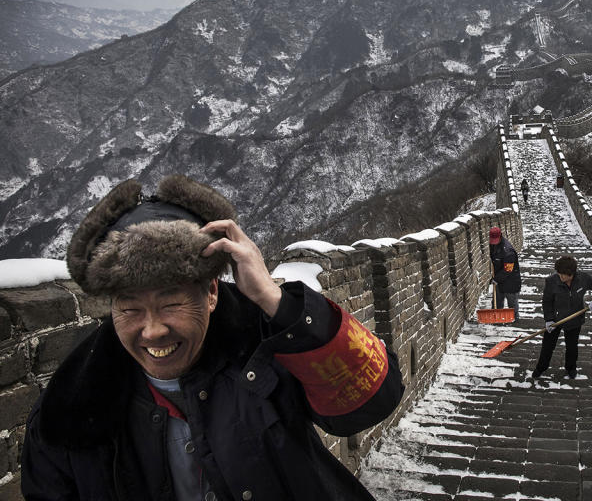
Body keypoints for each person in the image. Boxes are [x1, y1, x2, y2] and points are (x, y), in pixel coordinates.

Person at [21, 174, 404, 501]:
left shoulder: (259, 345)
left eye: (171, 303)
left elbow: (373, 401)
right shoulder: (73, 403)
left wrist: (275, 301)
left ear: (211, 294)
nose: (152, 330)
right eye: (130, 308)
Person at [531, 255, 592, 381]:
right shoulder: (552, 281)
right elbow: (547, 302)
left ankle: (571, 368)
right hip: (555, 319)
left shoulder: (583, 279)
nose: (561, 277)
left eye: (563, 275)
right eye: (559, 274)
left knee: (572, 346)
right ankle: (541, 368)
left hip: (574, 319)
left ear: (571, 274)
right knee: (548, 346)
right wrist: (548, 319)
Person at [489, 226, 521, 320]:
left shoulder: (508, 251)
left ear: (500, 236)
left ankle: (514, 320)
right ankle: (496, 318)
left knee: (512, 303)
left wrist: (496, 279)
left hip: (511, 280)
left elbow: (508, 269)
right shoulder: (493, 245)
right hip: (499, 278)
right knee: (497, 301)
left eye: (495, 239)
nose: (493, 242)